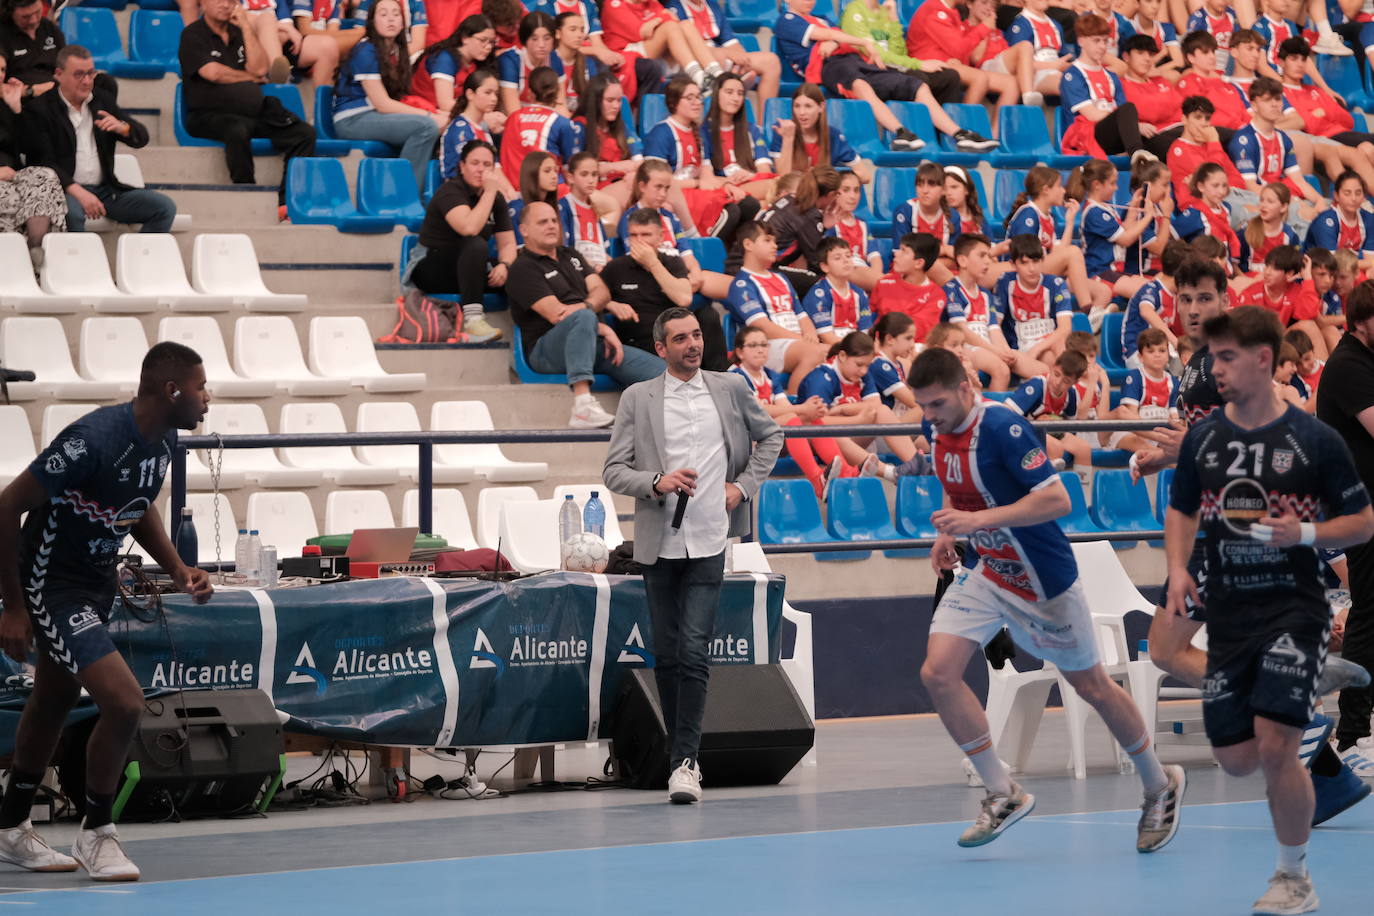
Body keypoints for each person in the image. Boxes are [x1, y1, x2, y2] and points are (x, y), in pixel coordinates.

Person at [912, 345, 1186, 852]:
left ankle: (1157, 782)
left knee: (1095, 688)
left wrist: (977, 522)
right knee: (938, 672)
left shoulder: (1003, 427)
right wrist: (947, 530)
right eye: (923, 406)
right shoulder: (938, 428)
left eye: (937, 406)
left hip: (1044, 582)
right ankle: (1002, 791)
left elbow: (1058, 499)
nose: (930, 417)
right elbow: (953, 482)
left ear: (966, 390)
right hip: (987, 572)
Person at [1166, 305, 1374, 914]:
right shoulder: (1205, 439)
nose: (1216, 369)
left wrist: (1305, 535)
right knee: (1235, 760)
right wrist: (1179, 568)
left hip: (1293, 609)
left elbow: (1363, 522)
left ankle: (1293, 877)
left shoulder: (1313, 440)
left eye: (1227, 357)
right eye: (1212, 357)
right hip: (1231, 614)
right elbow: (1181, 510)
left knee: (1279, 746)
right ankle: (1311, 686)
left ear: (1263, 360)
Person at [0, 342, 214, 881]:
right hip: (51, 584)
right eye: (200, 387)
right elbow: (6, 507)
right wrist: (14, 608)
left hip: (95, 582)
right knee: (123, 702)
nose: (206, 399)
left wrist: (177, 567)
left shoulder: (163, 439)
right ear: (172, 390)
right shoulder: (91, 440)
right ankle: (98, 831)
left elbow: (135, 509)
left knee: (54, 697)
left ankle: (8, 826)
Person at [602, 306, 783, 803]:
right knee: (666, 653)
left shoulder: (729, 388)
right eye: (680, 338)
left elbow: (772, 436)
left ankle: (686, 762)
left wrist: (742, 489)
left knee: (693, 651)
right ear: (660, 348)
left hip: (709, 538)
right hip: (659, 543)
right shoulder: (639, 397)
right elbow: (614, 470)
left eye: (697, 335)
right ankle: (676, 750)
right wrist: (655, 482)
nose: (692, 344)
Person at [507, 200, 666, 426]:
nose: (552, 226)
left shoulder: (570, 255)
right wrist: (599, 325)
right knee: (583, 317)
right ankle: (582, 405)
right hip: (546, 350)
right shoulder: (523, 268)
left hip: (591, 344)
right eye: (543, 222)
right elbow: (558, 314)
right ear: (524, 230)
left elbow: (602, 291)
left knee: (664, 374)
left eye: (554, 220)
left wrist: (590, 311)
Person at [179, 0, 317, 211]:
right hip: (208, 114)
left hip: (252, 111)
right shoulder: (193, 34)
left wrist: (245, 26)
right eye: (218, 0)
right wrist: (249, 76)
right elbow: (213, 73)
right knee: (237, 129)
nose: (225, 5)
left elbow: (260, 68)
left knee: (304, 133)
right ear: (204, 3)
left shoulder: (239, 32)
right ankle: (247, 194)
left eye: (230, 1)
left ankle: (287, 201)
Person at [25, 46, 176, 235]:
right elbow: (43, 163)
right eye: (79, 74)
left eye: (91, 73)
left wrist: (124, 128)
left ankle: (138, 261)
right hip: (64, 190)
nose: (87, 81)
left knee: (164, 207)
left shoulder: (102, 101)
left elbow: (141, 138)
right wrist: (79, 192)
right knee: (72, 213)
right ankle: (78, 263)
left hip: (105, 190)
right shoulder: (40, 109)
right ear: (59, 74)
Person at [1317, 281, 1374, 777]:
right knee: (1369, 614)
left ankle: (1359, 728)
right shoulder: (1348, 365)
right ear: (1360, 322)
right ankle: (1353, 734)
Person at [332, 0, 445, 191]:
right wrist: (429, 116)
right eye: (383, 15)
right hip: (352, 119)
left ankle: (430, 196)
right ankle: (402, 195)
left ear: (403, 22)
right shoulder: (365, 49)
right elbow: (382, 104)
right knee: (426, 128)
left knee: (440, 125)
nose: (390, 19)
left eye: (395, 14)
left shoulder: (397, 51)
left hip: (375, 115)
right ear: (372, 22)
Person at [408, 139, 513, 344]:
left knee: (522, 267)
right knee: (474, 243)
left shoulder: (496, 199)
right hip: (432, 268)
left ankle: (533, 330)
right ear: (462, 166)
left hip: (469, 271)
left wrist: (505, 265)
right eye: (475, 163)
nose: (481, 170)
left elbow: (508, 243)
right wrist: (490, 191)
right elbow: (469, 227)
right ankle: (473, 320)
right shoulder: (451, 191)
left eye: (487, 165)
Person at [601, 206, 728, 370]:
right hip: (640, 341)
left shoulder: (672, 262)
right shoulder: (616, 267)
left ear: (660, 237)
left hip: (675, 336)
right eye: (633, 235)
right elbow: (590, 297)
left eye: (646, 235)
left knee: (707, 315)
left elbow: (684, 298)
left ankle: (719, 378)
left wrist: (653, 264)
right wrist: (610, 304)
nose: (639, 241)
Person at [724, 222, 830, 394]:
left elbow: (801, 315)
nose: (775, 246)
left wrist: (810, 335)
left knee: (831, 352)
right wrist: (801, 339)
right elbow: (762, 326)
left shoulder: (781, 278)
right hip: (764, 345)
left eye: (775, 241)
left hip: (794, 343)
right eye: (767, 240)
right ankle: (794, 404)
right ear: (748, 244)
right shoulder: (742, 284)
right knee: (814, 353)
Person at [0, 52, 64, 267]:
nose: (0, 76)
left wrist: (16, 108)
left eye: (2, 70)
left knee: (45, 175)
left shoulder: (5, 104)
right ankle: (18, 266)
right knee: (10, 198)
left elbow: (31, 148)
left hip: (14, 175)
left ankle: (35, 246)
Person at [870, 232, 947, 342]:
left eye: (904, 251)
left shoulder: (936, 295)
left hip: (914, 347)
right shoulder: (884, 283)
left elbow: (918, 331)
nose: (896, 253)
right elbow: (868, 316)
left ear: (919, 263)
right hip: (882, 345)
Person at [0, 0, 61, 97]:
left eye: (37, 12)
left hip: (56, 96)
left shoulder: (49, 27)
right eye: (25, 17)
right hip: (21, 101)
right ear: (11, 12)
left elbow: (66, 66)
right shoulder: (3, 33)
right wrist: (30, 91)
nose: (33, 20)